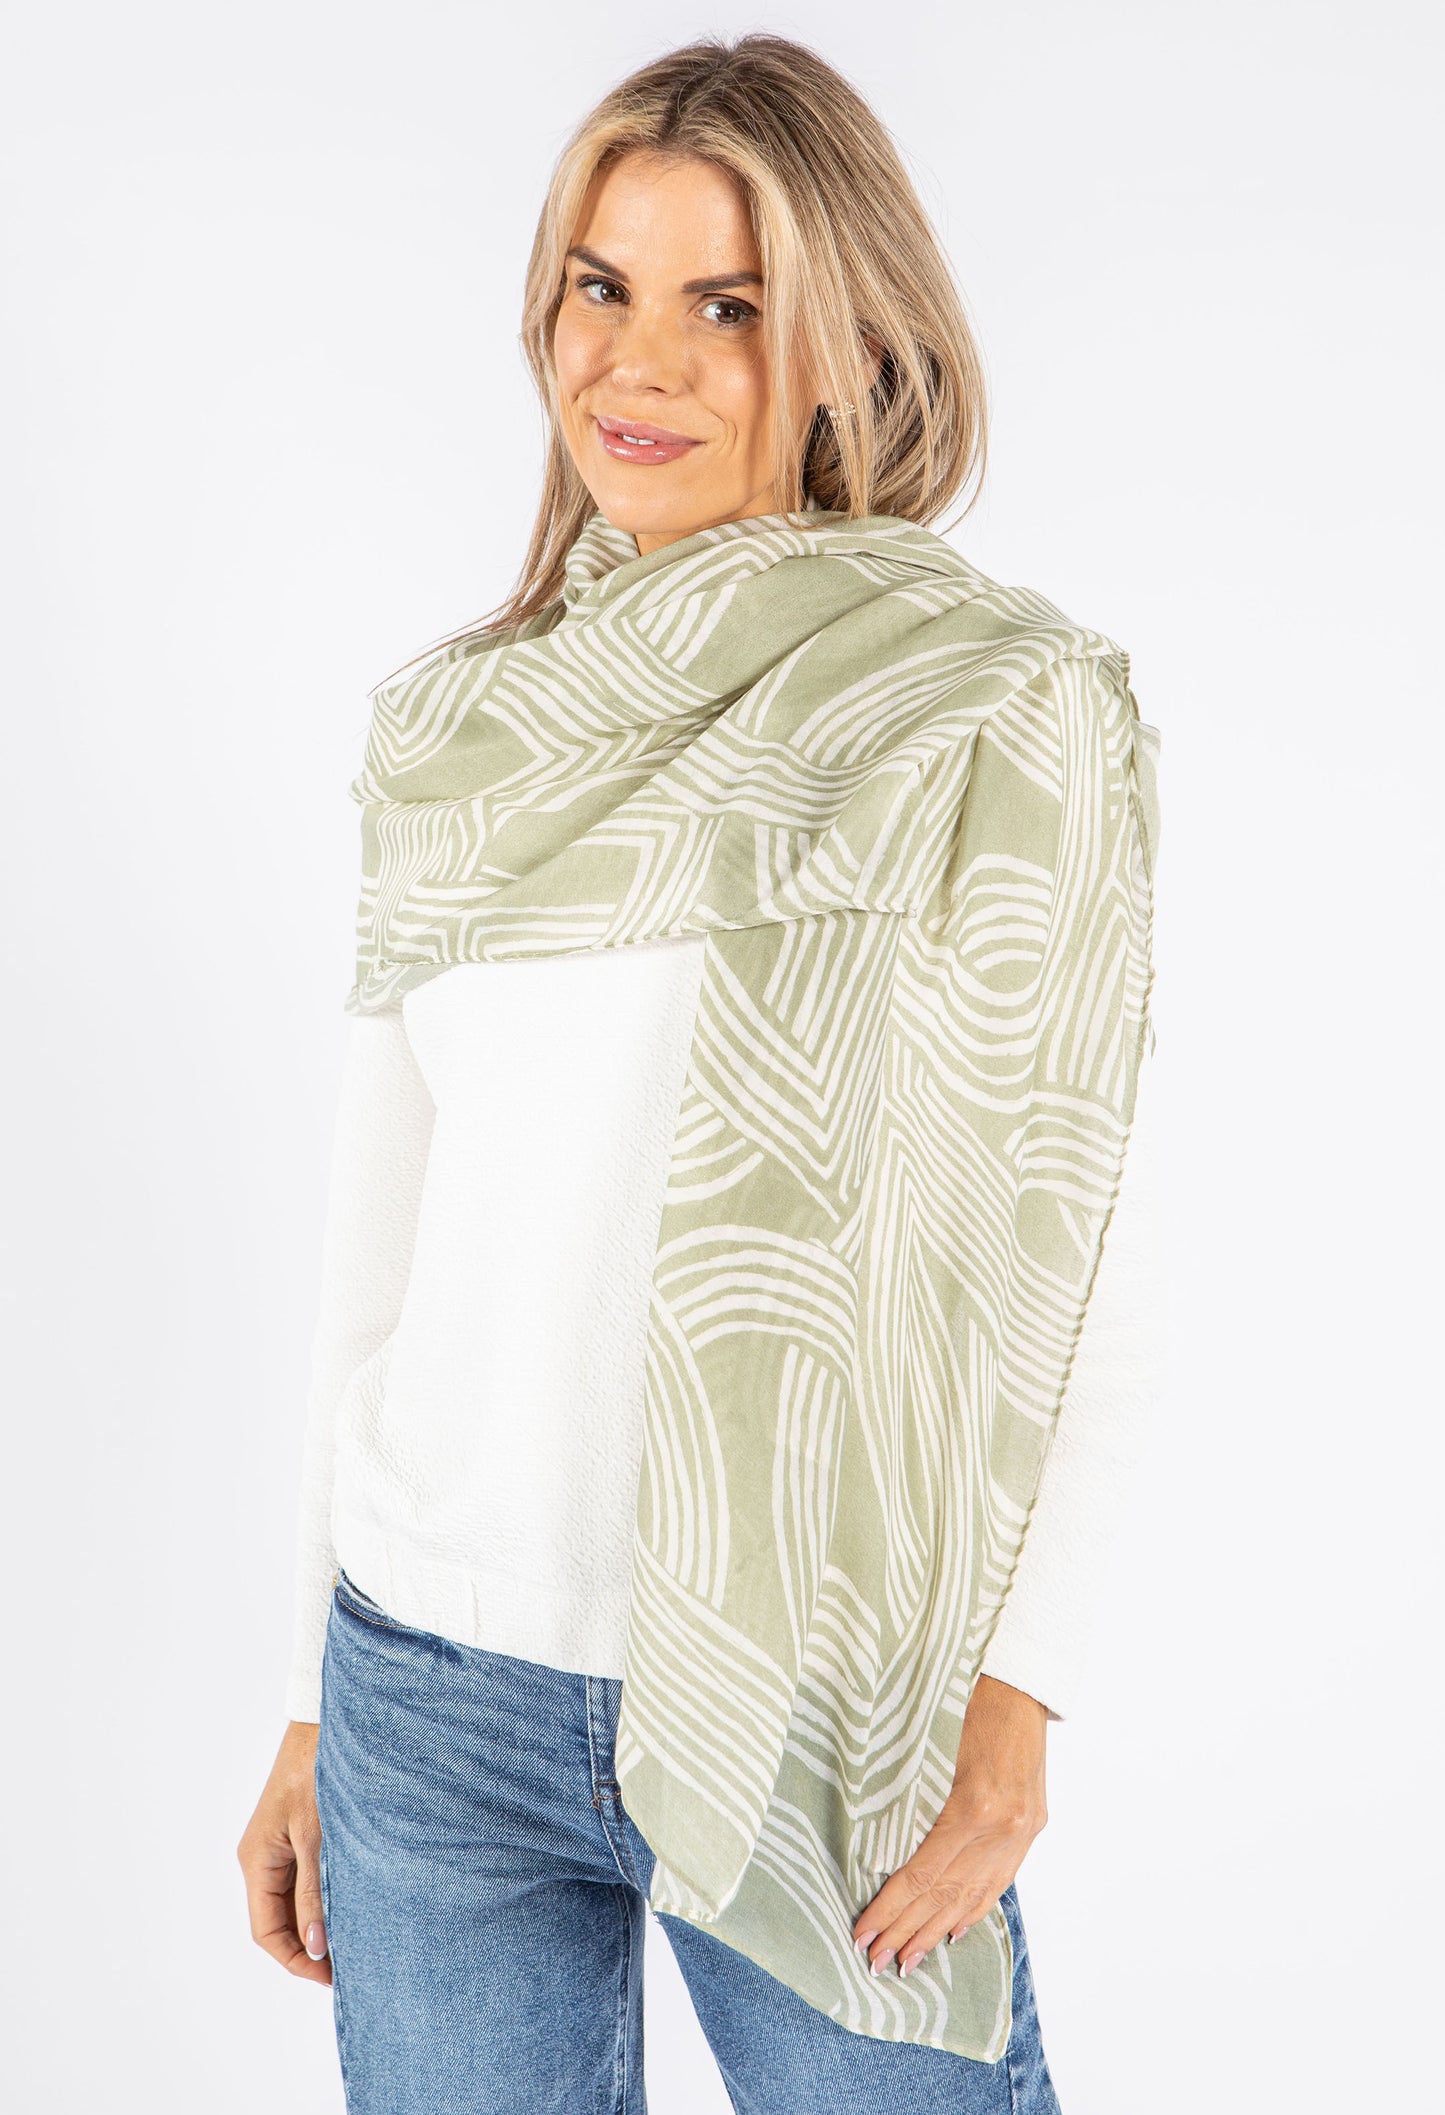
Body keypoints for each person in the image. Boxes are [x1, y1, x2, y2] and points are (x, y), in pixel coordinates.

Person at [237, 32, 1163, 2115]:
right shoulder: (456, 740)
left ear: (845, 343)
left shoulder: (987, 715)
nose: (639, 363)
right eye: (603, 285)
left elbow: (1090, 1244)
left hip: (818, 1698)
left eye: (726, 305)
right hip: (431, 1699)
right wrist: (310, 1696)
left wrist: (1022, 1695)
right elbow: (376, 1271)